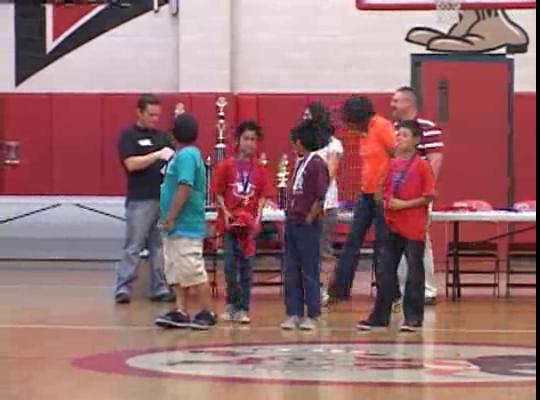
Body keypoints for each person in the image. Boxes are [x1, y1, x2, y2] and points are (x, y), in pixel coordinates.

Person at [358, 120, 436, 333]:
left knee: (414, 273)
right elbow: (382, 190)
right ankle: (379, 317)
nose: (399, 138)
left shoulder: (422, 165)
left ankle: (413, 318)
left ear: (416, 140)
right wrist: (383, 199)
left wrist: (404, 205)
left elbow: (429, 196)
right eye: (398, 135)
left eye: (404, 135)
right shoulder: (392, 164)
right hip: (393, 225)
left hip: (413, 227)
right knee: (385, 271)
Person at [328, 96, 396, 302]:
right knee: (352, 241)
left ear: (361, 118)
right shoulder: (362, 133)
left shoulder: (382, 127)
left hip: (383, 197)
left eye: (350, 122)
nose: (348, 127)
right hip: (366, 195)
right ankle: (339, 291)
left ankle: (389, 294)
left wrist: (383, 186)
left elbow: (397, 158)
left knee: (382, 245)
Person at [155, 114, 218, 331]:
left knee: (192, 268)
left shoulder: (187, 156)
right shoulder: (180, 156)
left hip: (184, 224)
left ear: (173, 135)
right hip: (174, 226)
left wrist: (171, 217)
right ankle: (180, 310)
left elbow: (184, 186)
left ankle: (207, 311)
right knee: (175, 269)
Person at [114, 94, 175, 304]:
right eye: (150, 115)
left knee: (158, 247)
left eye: (157, 115)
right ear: (139, 112)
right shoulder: (128, 136)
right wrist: (156, 155)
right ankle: (123, 288)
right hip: (140, 201)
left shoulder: (163, 137)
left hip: (161, 199)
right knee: (134, 246)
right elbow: (130, 164)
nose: (154, 119)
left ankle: (159, 287)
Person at [213, 120, 272, 324]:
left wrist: (258, 215)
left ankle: (243, 308)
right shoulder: (226, 166)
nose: (250, 143)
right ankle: (231, 304)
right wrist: (226, 211)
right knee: (229, 266)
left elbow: (264, 194)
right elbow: (218, 192)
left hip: (249, 227)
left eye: (253, 139)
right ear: (238, 141)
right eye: (246, 138)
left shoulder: (260, 169)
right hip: (231, 224)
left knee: (247, 267)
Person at [391, 86, 444, 306]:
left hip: (418, 197)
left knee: (421, 242)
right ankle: (405, 289)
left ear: (409, 103)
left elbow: (435, 160)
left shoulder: (429, 128)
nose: (392, 105)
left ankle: (427, 289)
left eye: (396, 101)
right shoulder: (393, 129)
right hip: (396, 198)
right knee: (398, 243)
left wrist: (424, 190)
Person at [281, 119, 330, 332]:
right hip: (293, 222)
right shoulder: (300, 163)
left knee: (309, 270)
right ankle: (294, 313)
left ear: (301, 142)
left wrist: (310, 217)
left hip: (306, 224)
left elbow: (320, 196)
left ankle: (313, 313)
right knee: (291, 269)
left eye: (294, 142)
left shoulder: (317, 163)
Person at [302, 102, 344, 306]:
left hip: (326, 204)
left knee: (323, 249)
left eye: (308, 114)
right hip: (305, 203)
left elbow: (331, 170)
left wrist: (318, 193)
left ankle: (325, 290)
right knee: (307, 248)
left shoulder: (333, 144)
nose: (304, 118)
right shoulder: (304, 145)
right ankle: (310, 288)